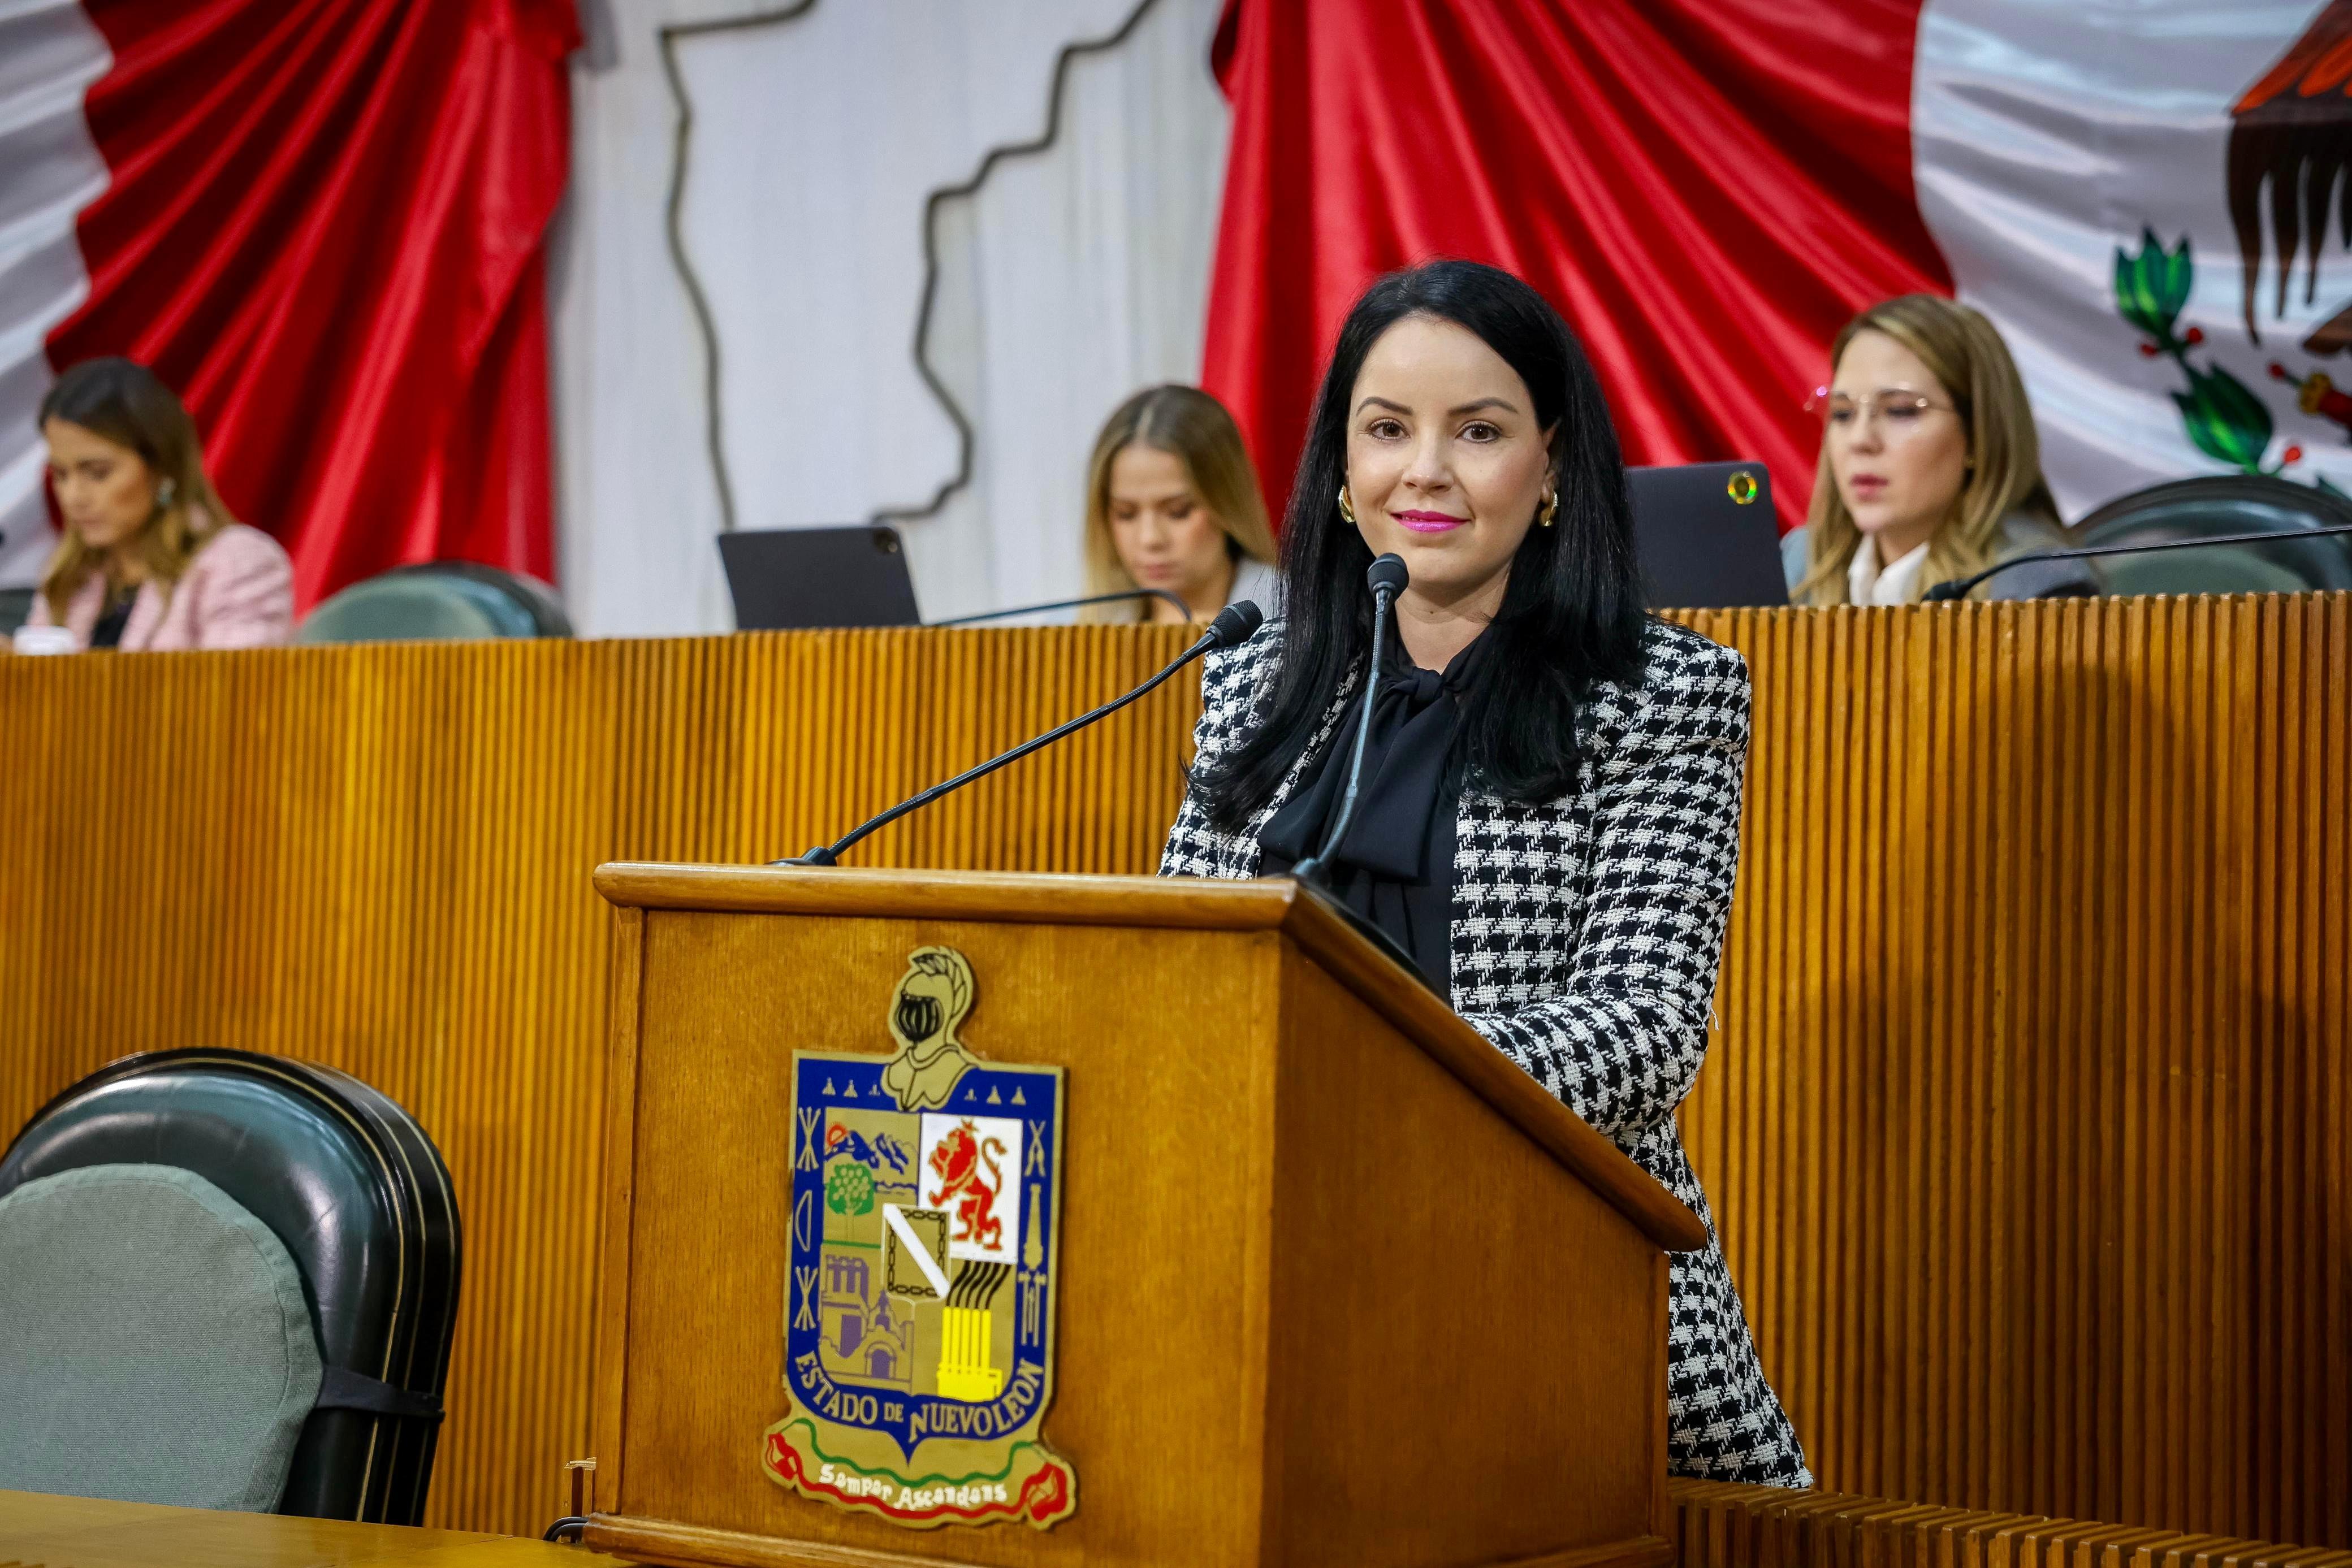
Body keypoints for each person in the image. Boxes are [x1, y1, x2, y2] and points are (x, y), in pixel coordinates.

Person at [1158, 259, 1810, 1484]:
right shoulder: (1250, 680)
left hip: (1550, 1278)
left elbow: (1647, 1026)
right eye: (1387, 429)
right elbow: (1183, 971)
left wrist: (1378, 1088)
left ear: (1553, 465)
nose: (1426, 472)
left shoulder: (1662, 695)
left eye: (1480, 431)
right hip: (1268, 1281)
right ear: (1340, 471)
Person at [1785, 294, 2091, 604]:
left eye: (1900, 411)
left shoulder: (2034, 588)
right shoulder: (1795, 567)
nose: (1860, 440)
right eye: (1842, 413)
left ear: (1977, 436)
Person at [21, 358, 293, 652]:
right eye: (60, 474)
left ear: (162, 468)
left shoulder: (237, 563)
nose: (73, 497)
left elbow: (233, 691)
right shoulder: (69, 574)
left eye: (98, 473)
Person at [1082, 384, 1279, 623]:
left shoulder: (1296, 617)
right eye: (1126, 514)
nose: (1150, 539)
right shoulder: (1093, 627)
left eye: (1178, 512)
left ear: (1227, 504)